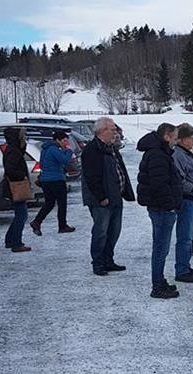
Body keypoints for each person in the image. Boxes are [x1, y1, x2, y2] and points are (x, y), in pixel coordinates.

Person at [82, 117, 135, 276]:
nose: (115, 132)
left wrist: (125, 191)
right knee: (101, 232)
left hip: (116, 196)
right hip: (102, 200)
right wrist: (101, 197)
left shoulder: (111, 148)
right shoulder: (92, 150)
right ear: (102, 131)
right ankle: (98, 263)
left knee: (114, 231)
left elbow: (119, 170)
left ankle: (108, 260)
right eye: (112, 130)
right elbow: (91, 177)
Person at [137, 123, 183, 299]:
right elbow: (159, 184)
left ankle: (160, 280)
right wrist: (169, 204)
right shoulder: (157, 155)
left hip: (161, 208)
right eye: (175, 137)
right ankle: (157, 286)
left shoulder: (160, 152)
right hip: (162, 209)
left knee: (161, 248)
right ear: (166, 136)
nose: (176, 141)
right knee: (160, 248)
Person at [172, 123, 193, 283]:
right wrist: (192, 188)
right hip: (187, 200)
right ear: (182, 139)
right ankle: (182, 270)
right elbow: (179, 178)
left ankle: (185, 265)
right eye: (191, 137)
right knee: (184, 237)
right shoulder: (178, 155)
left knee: (188, 236)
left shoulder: (187, 153)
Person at [30, 130, 75, 236]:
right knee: (62, 203)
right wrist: (69, 151)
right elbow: (65, 160)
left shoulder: (45, 149)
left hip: (46, 180)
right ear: (57, 140)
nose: (66, 143)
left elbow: (42, 164)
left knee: (49, 203)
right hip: (56, 179)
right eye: (64, 141)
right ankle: (62, 226)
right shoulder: (53, 149)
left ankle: (37, 222)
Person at [3, 127, 32, 252]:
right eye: (22, 136)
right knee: (21, 215)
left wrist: (23, 146)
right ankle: (16, 243)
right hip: (16, 186)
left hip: (15, 186)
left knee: (20, 215)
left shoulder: (14, 149)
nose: (24, 138)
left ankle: (10, 240)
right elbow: (10, 169)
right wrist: (22, 175)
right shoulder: (13, 151)